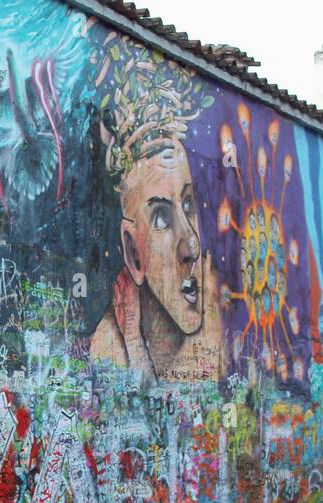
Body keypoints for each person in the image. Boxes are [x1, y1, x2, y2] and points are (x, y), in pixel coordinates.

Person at [89, 37, 220, 383]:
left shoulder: (218, 308)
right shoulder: (108, 345)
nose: (191, 245)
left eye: (189, 205)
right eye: (162, 218)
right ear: (133, 253)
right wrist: (133, 343)